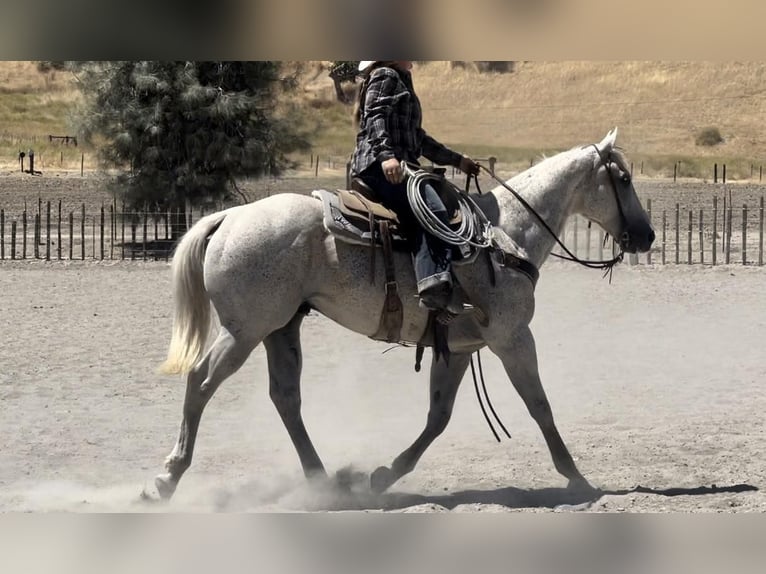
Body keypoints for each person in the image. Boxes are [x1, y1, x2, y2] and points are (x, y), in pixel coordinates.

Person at [350, 60, 480, 313]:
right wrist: (386, 156)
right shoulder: (386, 74)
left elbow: (417, 138)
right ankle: (433, 287)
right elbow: (375, 116)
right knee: (433, 210)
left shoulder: (400, 79)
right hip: (382, 166)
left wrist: (457, 160)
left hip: (398, 164)